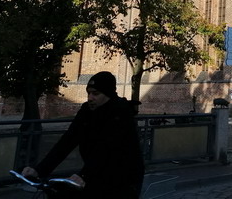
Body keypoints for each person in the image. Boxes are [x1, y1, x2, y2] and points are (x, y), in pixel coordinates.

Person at [22, 71, 144, 199]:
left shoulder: (120, 113)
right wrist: (39, 170)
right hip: (96, 172)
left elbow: (106, 148)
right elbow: (67, 141)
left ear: (108, 94)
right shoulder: (87, 110)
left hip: (124, 177)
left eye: (95, 94)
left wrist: (84, 175)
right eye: (88, 93)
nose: (90, 97)